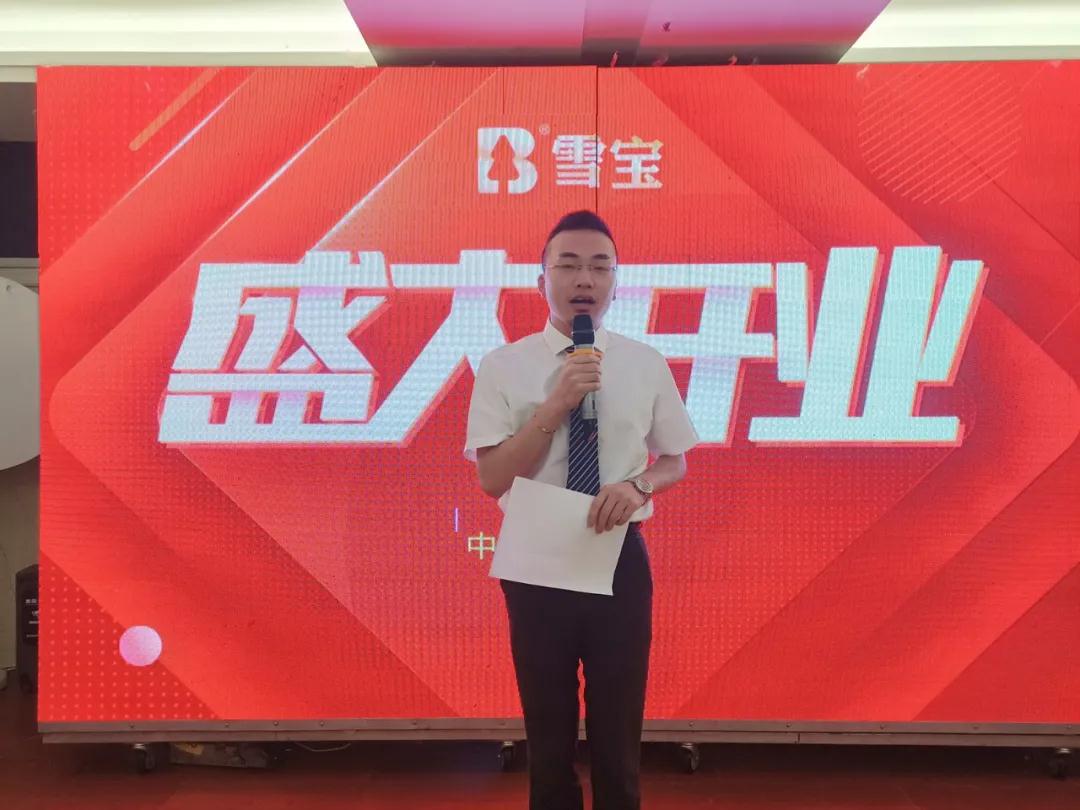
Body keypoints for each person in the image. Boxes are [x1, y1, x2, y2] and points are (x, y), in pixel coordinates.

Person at [464, 210, 698, 810]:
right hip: (536, 558)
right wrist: (558, 402)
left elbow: (674, 460)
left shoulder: (643, 362)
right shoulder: (504, 366)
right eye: (567, 265)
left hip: (617, 554)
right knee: (548, 732)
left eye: (599, 266)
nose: (584, 279)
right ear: (541, 279)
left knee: (619, 730)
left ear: (617, 281)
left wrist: (640, 485)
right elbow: (492, 478)